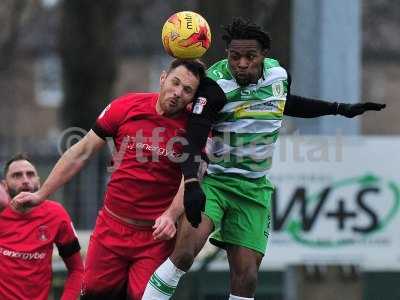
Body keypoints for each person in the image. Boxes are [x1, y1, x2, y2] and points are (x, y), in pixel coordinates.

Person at [142, 18, 386, 300]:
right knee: (185, 254)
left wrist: (339, 108)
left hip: (254, 189)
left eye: (250, 57)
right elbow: (193, 139)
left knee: (246, 278)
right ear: (227, 56)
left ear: (264, 56)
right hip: (216, 183)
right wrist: (194, 183)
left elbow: (286, 103)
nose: (242, 64)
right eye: (235, 57)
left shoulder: (279, 76)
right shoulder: (213, 86)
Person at [11, 59, 226, 299]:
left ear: (193, 99)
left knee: (143, 295)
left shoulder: (193, 128)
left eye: (187, 90)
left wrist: (170, 215)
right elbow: (81, 151)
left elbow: (191, 177)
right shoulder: (127, 106)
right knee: (93, 290)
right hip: (111, 228)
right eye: (175, 83)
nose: (178, 93)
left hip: (153, 236)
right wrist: (41, 194)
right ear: (163, 78)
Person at [0, 153, 83, 300]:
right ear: (4, 186)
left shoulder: (56, 214)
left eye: (30, 174)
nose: (25, 180)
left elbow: (77, 269)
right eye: (17, 175)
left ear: (39, 182)